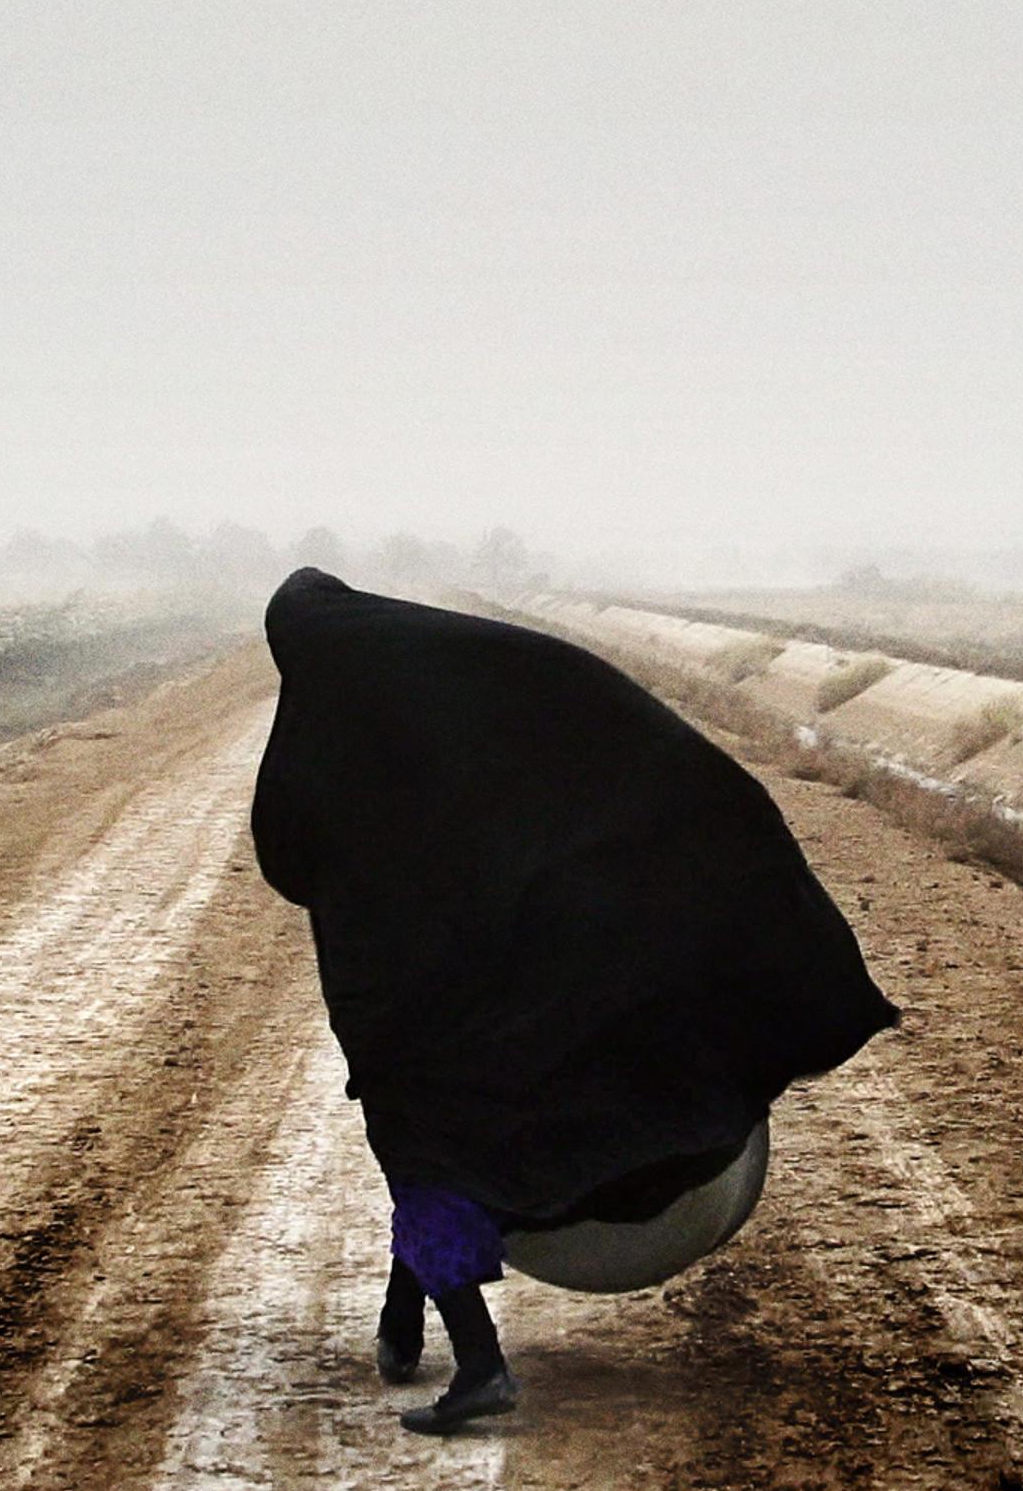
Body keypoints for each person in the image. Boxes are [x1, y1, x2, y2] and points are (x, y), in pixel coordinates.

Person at [249, 572, 899, 1433]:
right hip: (503, 975)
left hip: (420, 1000)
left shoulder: (329, 739)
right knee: (442, 1149)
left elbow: (285, 853)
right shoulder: (484, 681)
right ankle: (403, 1321)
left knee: (424, 1155)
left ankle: (477, 1364)